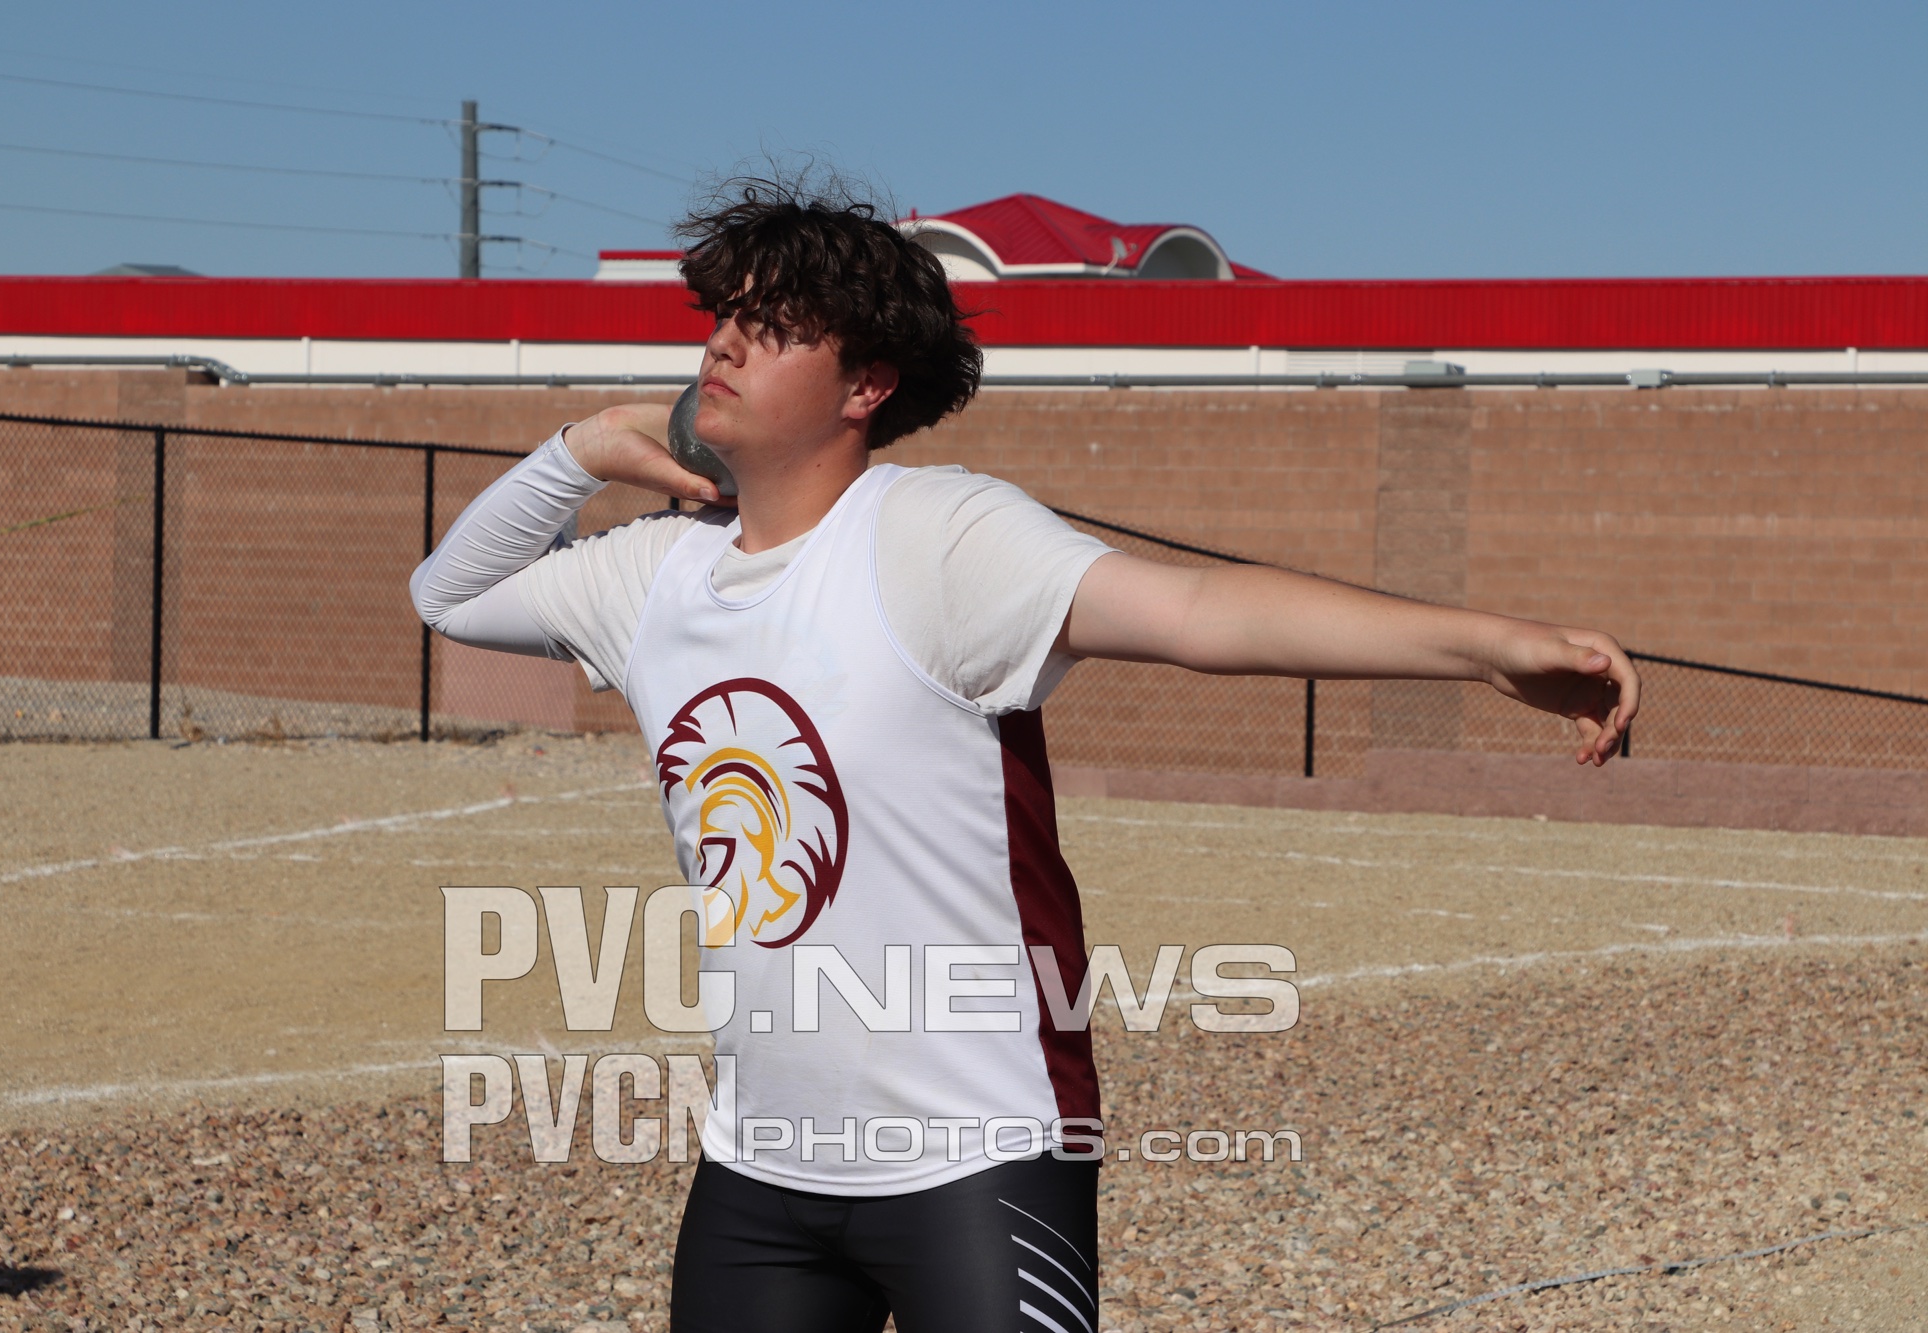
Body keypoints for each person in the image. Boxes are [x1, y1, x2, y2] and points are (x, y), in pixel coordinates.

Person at [411, 177, 1638, 1333]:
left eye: (772, 327)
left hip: (980, 1156)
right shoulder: (654, 576)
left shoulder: (935, 535)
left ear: (865, 384)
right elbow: (449, 594)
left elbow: (1196, 611)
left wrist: (1482, 647)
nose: (723, 344)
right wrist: (586, 445)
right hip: (757, 1169)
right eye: (723, 317)